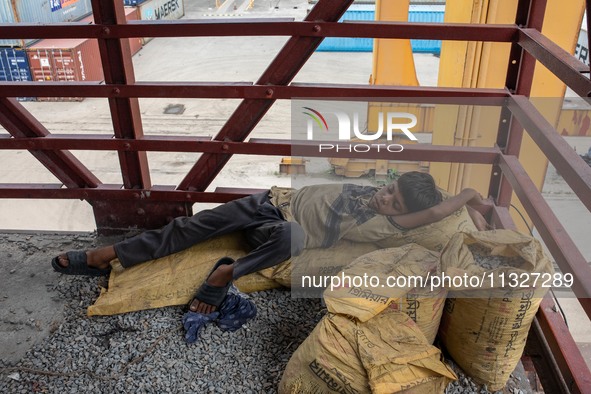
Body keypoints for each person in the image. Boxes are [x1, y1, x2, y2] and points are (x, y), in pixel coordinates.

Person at [52, 172, 491, 315]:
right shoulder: (374, 185)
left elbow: (434, 214)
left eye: (394, 202)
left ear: (399, 215)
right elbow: (417, 185)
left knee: (293, 235)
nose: (385, 197)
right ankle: (109, 254)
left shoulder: (383, 224)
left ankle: (226, 274)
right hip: (267, 204)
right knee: (196, 225)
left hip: (280, 231)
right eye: (390, 189)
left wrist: (471, 196)